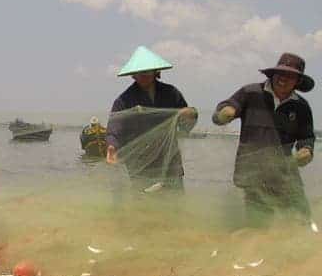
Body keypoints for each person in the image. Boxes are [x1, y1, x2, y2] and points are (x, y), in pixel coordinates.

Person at [212, 53, 314, 224]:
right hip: (253, 172)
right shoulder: (250, 93)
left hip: (285, 173)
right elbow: (222, 112)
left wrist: (307, 150)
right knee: (259, 222)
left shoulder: (301, 107)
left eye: (290, 76)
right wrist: (225, 113)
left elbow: (306, 137)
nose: (283, 79)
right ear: (272, 74)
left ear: (298, 81)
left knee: (300, 220)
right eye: (280, 74)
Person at [105, 46, 198, 190]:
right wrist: (112, 146)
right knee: (143, 204)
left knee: (174, 202)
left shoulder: (171, 93)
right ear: (133, 75)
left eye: (147, 72)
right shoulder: (124, 100)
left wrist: (189, 115)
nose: (143, 76)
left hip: (169, 159)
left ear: (156, 72)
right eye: (139, 73)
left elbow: (185, 124)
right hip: (140, 162)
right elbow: (115, 126)